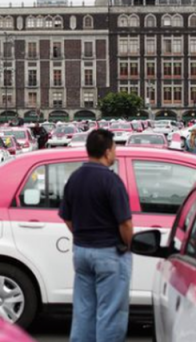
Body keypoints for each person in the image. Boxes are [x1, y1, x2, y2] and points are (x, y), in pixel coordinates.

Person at [59, 129, 133, 342]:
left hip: (82, 252)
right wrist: (129, 244)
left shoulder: (75, 178)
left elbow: (67, 217)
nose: (115, 153)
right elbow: (125, 222)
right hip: (109, 253)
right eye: (115, 148)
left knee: (83, 312)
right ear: (107, 151)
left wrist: (82, 234)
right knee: (110, 313)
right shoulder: (111, 181)